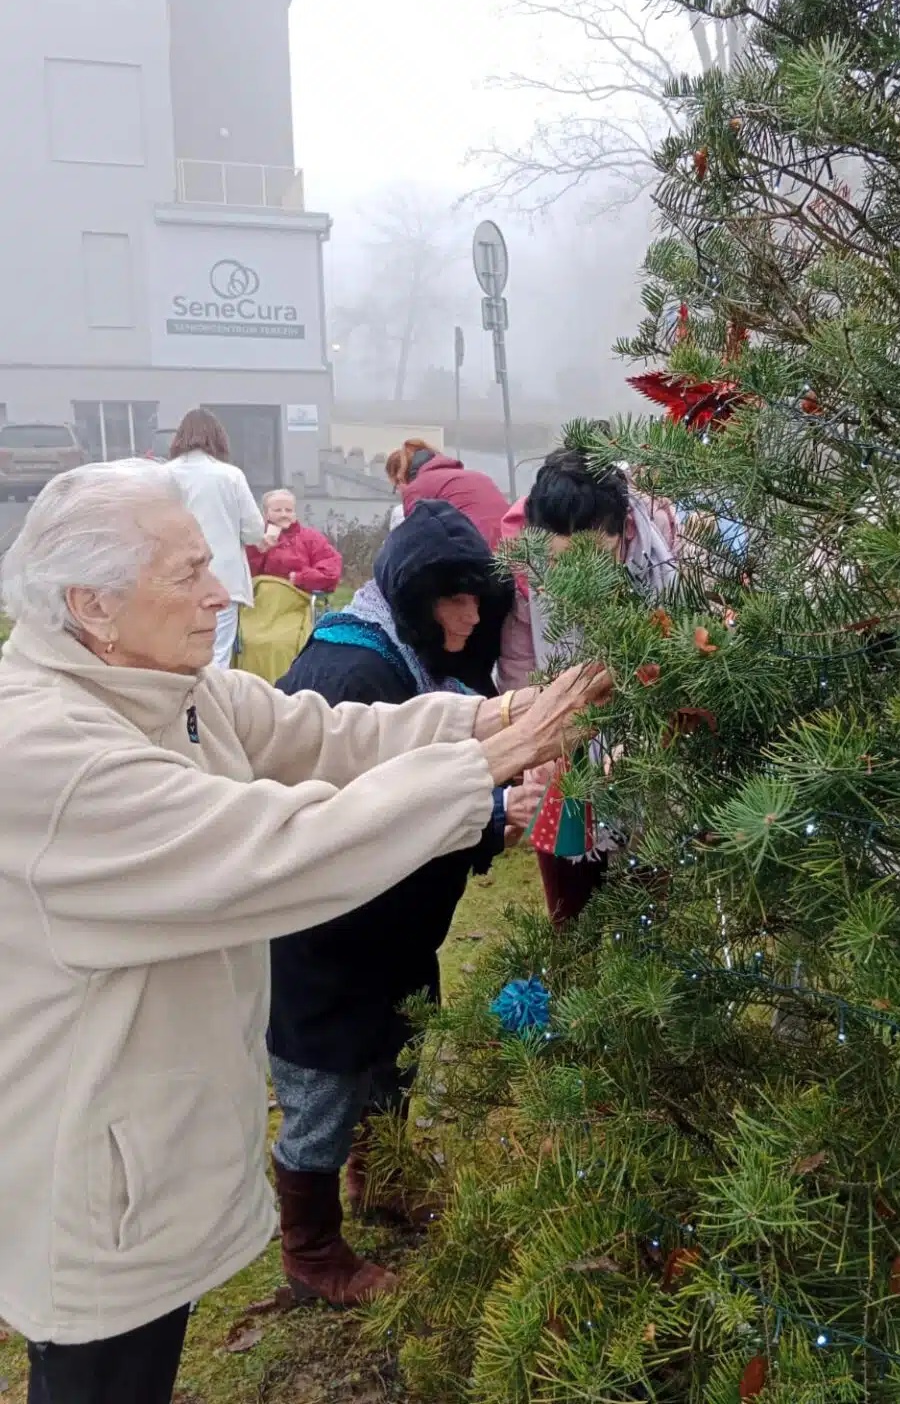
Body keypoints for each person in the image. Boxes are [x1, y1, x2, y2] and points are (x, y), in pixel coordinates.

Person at [0, 458, 609, 1404]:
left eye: (219, 563)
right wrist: (486, 765)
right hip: (89, 1171)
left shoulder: (170, 686)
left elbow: (322, 734)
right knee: (99, 1376)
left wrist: (490, 713)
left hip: (150, 1145)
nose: (225, 594)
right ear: (93, 603)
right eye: (189, 573)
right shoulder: (51, 755)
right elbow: (277, 847)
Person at [268, 500, 535, 1304]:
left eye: (476, 599)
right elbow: (373, 817)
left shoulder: (415, 662)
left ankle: (381, 1182)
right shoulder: (354, 674)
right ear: (412, 598)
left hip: (392, 930)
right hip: (331, 936)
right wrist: (488, 815)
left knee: (395, 1055)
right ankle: (311, 1251)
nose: (470, 616)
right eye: (452, 601)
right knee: (325, 1089)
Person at [499, 449, 678, 924]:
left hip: (647, 746)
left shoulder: (663, 563)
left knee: (648, 899)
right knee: (571, 905)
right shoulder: (524, 571)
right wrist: (535, 742)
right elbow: (520, 664)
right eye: (560, 564)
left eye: (595, 559)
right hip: (562, 741)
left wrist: (646, 736)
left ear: (624, 536)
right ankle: (572, 980)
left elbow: (684, 657)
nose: (579, 581)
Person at [167, 408, 266, 668]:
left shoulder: (162, 476)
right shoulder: (230, 476)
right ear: (219, 438)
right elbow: (255, 531)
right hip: (223, 578)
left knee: (175, 648)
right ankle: (210, 707)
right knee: (217, 654)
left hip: (174, 576)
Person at [386, 437, 508, 549]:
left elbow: (412, 544)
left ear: (400, 478)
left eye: (397, 487)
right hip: (514, 556)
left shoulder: (416, 488)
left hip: (477, 559)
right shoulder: (478, 477)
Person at [245, 489, 343, 594]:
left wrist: (299, 578)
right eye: (277, 510)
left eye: (289, 510)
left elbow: (331, 573)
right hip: (260, 601)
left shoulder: (311, 538)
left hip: (299, 602)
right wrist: (257, 551)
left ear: (295, 513)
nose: (284, 515)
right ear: (266, 514)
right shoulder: (252, 538)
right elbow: (240, 575)